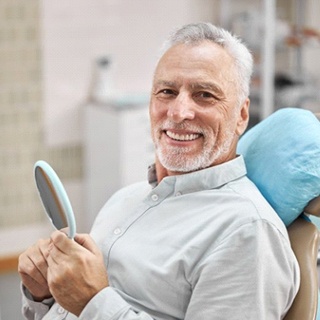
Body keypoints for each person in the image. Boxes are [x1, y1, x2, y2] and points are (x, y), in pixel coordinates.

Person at [18, 22, 300, 320]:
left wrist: (93, 302)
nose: (178, 112)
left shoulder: (247, 233)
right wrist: (44, 295)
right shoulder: (125, 199)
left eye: (204, 95)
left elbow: (89, 304)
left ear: (242, 115)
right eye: (167, 91)